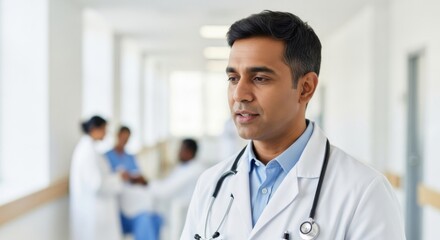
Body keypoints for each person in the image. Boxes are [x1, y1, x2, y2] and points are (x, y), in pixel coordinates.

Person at [181, 10, 405, 240]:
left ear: (306, 87)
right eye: (233, 78)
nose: (239, 94)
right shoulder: (212, 184)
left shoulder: (364, 192)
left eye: (259, 78)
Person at [70, 116, 126, 240]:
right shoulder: (87, 151)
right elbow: (97, 184)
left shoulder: (90, 148)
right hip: (94, 212)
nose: (106, 133)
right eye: (105, 129)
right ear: (95, 129)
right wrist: (117, 179)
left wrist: (116, 178)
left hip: (97, 210)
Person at [105, 126, 162, 240]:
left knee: (157, 219)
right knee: (145, 220)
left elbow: (138, 175)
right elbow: (108, 181)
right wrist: (121, 177)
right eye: (123, 138)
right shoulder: (107, 157)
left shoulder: (130, 157)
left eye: (127, 139)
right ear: (117, 136)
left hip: (134, 197)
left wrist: (135, 178)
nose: (124, 141)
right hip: (120, 203)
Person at [148, 138, 205, 239]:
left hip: (183, 215)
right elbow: (166, 185)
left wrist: (146, 183)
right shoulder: (183, 167)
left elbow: (165, 191)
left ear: (189, 152)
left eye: (181, 149)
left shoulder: (194, 170)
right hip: (175, 214)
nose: (178, 152)